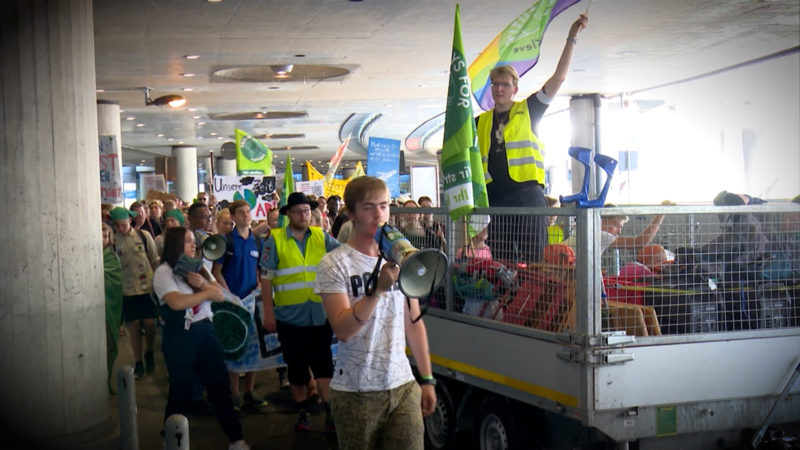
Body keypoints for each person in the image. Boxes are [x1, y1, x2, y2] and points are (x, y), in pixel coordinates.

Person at [316, 177, 436, 450]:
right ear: (351, 214)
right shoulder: (334, 263)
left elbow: (414, 324)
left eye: (384, 206)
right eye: (369, 207)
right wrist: (378, 290)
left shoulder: (402, 259)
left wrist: (427, 379)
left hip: (403, 384)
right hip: (356, 390)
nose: (379, 214)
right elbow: (344, 331)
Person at [477, 14, 588, 264]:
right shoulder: (480, 121)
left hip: (528, 196)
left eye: (504, 84)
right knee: (502, 261)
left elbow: (558, 79)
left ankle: (534, 300)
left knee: (536, 258)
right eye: (495, 84)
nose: (499, 89)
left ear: (514, 88)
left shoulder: (529, 109)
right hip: (497, 200)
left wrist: (572, 37)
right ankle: (507, 303)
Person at [152, 227, 250, 450]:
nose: (193, 244)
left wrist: (204, 286)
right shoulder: (164, 271)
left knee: (219, 386)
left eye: (193, 240)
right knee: (181, 388)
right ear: (175, 245)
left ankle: (236, 439)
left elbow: (218, 293)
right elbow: (176, 302)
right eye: (187, 241)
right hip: (180, 335)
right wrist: (204, 292)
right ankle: (170, 439)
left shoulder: (200, 267)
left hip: (205, 331)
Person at [260, 192, 341, 431]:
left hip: (319, 314)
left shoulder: (321, 236)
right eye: (298, 211)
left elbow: (345, 254)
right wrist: (268, 313)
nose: (304, 215)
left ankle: (329, 411)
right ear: (288, 215)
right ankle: (303, 410)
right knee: (295, 366)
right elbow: (266, 279)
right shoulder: (275, 240)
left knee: (324, 364)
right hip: (289, 316)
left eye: (307, 211)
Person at [211, 200, 269, 412]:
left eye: (248, 211)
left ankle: (250, 390)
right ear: (233, 217)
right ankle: (234, 392)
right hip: (233, 304)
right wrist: (230, 295)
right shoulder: (226, 241)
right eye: (242, 213)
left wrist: (259, 286)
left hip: (252, 300)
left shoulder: (257, 241)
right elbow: (217, 272)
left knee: (253, 346)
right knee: (235, 346)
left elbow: (259, 269)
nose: (247, 215)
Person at [111, 206, 159, 379]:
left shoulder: (143, 236)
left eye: (123, 224)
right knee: (134, 327)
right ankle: (138, 361)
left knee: (150, 324)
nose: (120, 228)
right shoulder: (114, 241)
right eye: (117, 225)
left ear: (130, 221)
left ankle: (150, 352)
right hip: (128, 290)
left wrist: (158, 285)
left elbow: (154, 260)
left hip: (147, 288)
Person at [102, 222, 123, 394]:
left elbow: (116, 284)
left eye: (105, 235)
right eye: (99, 235)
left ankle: (106, 380)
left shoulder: (112, 259)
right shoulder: (84, 257)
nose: (102, 239)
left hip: (109, 309)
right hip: (91, 311)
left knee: (109, 346)